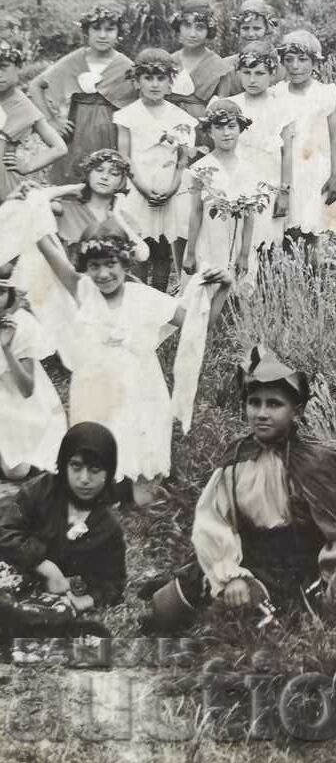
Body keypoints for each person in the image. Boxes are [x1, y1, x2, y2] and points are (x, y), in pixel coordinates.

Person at [142, 345, 336, 631]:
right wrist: (232, 573)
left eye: (274, 404)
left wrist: (335, 588)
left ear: (296, 411)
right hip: (246, 554)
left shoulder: (314, 464)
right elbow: (213, 520)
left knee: (248, 620)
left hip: (296, 565)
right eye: (254, 402)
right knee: (165, 611)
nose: (261, 413)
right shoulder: (236, 461)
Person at [33, 215, 232, 506]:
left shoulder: (144, 298)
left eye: (111, 264)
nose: (103, 274)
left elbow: (197, 325)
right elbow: (45, 245)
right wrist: (32, 205)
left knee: (143, 488)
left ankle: (137, 478)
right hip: (96, 390)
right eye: (95, 266)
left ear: (126, 264)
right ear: (86, 269)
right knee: (96, 454)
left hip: (139, 387)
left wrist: (223, 289)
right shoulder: (83, 290)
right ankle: (103, 478)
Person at [0, 150, 149, 372]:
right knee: (22, 216)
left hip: (101, 287)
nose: (105, 176)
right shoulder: (67, 208)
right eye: (98, 170)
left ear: (122, 181)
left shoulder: (121, 218)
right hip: (65, 283)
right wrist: (70, 189)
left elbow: (142, 254)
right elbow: (33, 202)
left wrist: (116, 213)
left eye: (113, 173)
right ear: (87, 174)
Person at [0, 423, 125, 625]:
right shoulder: (38, 492)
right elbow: (5, 533)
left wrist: (86, 600)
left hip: (40, 593)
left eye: (95, 469)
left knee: (51, 617)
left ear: (108, 473)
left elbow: (112, 581)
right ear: (63, 464)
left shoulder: (107, 527)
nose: (84, 479)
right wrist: (43, 564)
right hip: (10, 565)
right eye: (76, 467)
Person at [114, 48, 198, 289]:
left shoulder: (180, 117)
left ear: (170, 81)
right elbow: (124, 157)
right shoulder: (126, 116)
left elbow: (183, 159)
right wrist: (142, 188)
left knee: (163, 251)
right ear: (137, 81)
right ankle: (140, 303)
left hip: (169, 190)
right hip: (139, 189)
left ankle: (160, 302)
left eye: (161, 78)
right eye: (148, 78)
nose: (154, 84)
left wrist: (172, 189)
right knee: (140, 250)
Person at [28, 1, 136, 184]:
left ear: (119, 34)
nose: (102, 35)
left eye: (110, 29)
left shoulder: (126, 67)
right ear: (87, 31)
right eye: (96, 28)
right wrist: (51, 120)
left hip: (110, 136)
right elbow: (35, 85)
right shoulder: (75, 59)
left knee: (105, 184)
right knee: (70, 188)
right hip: (75, 138)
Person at [272, 29, 336, 262]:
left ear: (314, 62)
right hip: (284, 170)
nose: (296, 66)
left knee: (310, 228)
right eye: (289, 60)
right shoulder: (276, 94)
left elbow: (335, 136)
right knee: (287, 227)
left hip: (314, 169)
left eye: (302, 60)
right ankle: (288, 278)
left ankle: (312, 282)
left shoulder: (325, 94)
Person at [184, 98, 270, 283]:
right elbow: (196, 212)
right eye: (219, 127)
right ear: (209, 131)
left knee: (238, 293)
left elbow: (250, 215)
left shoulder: (249, 169)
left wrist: (244, 254)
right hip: (209, 242)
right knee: (208, 293)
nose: (226, 133)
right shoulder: (201, 169)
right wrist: (190, 253)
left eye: (231, 126)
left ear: (240, 128)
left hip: (237, 242)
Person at [220, 41, 291, 253]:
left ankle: (263, 285)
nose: (252, 80)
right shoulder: (230, 105)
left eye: (259, 73)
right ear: (238, 73)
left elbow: (287, 152)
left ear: (272, 74)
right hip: (235, 184)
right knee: (234, 243)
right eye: (247, 72)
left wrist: (284, 192)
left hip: (269, 185)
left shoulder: (282, 107)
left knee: (265, 244)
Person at [0, 262, 66, 479]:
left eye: (0, 293)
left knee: (16, 472)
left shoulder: (22, 324)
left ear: (10, 294)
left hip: (22, 408)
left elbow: (27, 389)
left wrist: (6, 348)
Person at [0, 40, 67, 203]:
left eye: (3, 66)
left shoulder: (23, 106)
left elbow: (59, 147)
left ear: (18, 67)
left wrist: (28, 165)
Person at [167, 0, 231, 123]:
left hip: (202, 129)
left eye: (200, 28)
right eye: (187, 26)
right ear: (179, 27)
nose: (192, 34)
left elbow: (222, 111)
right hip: (167, 128)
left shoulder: (220, 68)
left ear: (209, 31)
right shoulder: (168, 62)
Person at [215, 0, 284, 98]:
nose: (251, 34)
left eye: (257, 28)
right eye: (245, 28)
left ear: (267, 29)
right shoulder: (227, 66)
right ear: (238, 29)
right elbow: (222, 101)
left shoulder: (280, 66)